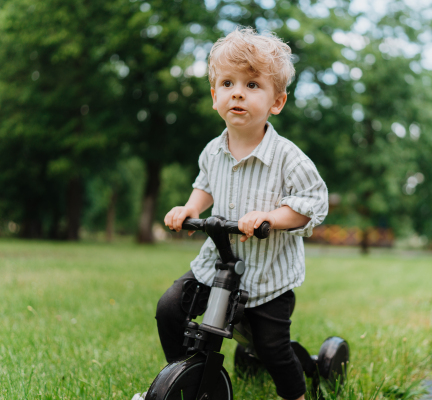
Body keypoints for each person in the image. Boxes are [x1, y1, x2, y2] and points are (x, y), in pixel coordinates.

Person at [133, 27, 328, 400]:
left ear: (277, 101)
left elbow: (313, 204)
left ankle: (298, 395)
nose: (237, 92)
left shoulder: (289, 157)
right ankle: (185, 376)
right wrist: (190, 208)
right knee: (172, 308)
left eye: (252, 84)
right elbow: (205, 185)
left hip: (268, 277)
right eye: (227, 83)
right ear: (214, 96)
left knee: (272, 347)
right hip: (217, 265)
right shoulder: (212, 150)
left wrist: (271, 217)